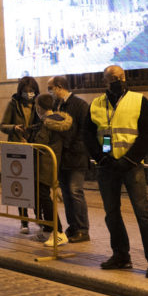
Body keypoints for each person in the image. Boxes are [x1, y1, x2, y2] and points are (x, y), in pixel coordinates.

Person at [84, 65, 148, 278]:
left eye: (119, 77)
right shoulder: (96, 104)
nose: (115, 80)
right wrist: (102, 158)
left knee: (143, 212)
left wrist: (130, 159)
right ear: (104, 81)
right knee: (112, 213)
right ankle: (121, 256)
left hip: (131, 166)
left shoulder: (139, 101)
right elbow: (89, 134)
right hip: (107, 166)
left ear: (125, 77)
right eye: (111, 77)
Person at [47, 76, 92, 243]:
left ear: (59, 87)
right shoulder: (55, 105)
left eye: (50, 88)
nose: (49, 92)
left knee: (75, 192)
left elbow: (84, 132)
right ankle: (73, 226)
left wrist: (70, 146)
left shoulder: (79, 105)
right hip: (62, 157)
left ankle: (82, 229)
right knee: (66, 194)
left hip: (76, 157)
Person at [28, 93, 73, 247]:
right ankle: (48, 230)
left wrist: (28, 140)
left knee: (44, 198)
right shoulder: (58, 120)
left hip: (45, 165)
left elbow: (40, 143)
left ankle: (58, 232)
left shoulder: (47, 123)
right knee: (43, 196)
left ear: (39, 107)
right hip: (51, 163)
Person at [0, 76, 40, 233]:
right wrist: (14, 128)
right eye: (26, 91)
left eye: (31, 91)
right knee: (21, 185)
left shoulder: (39, 104)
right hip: (18, 150)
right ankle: (24, 221)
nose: (29, 94)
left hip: (34, 148)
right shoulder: (13, 104)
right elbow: (3, 125)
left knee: (36, 186)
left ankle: (38, 218)